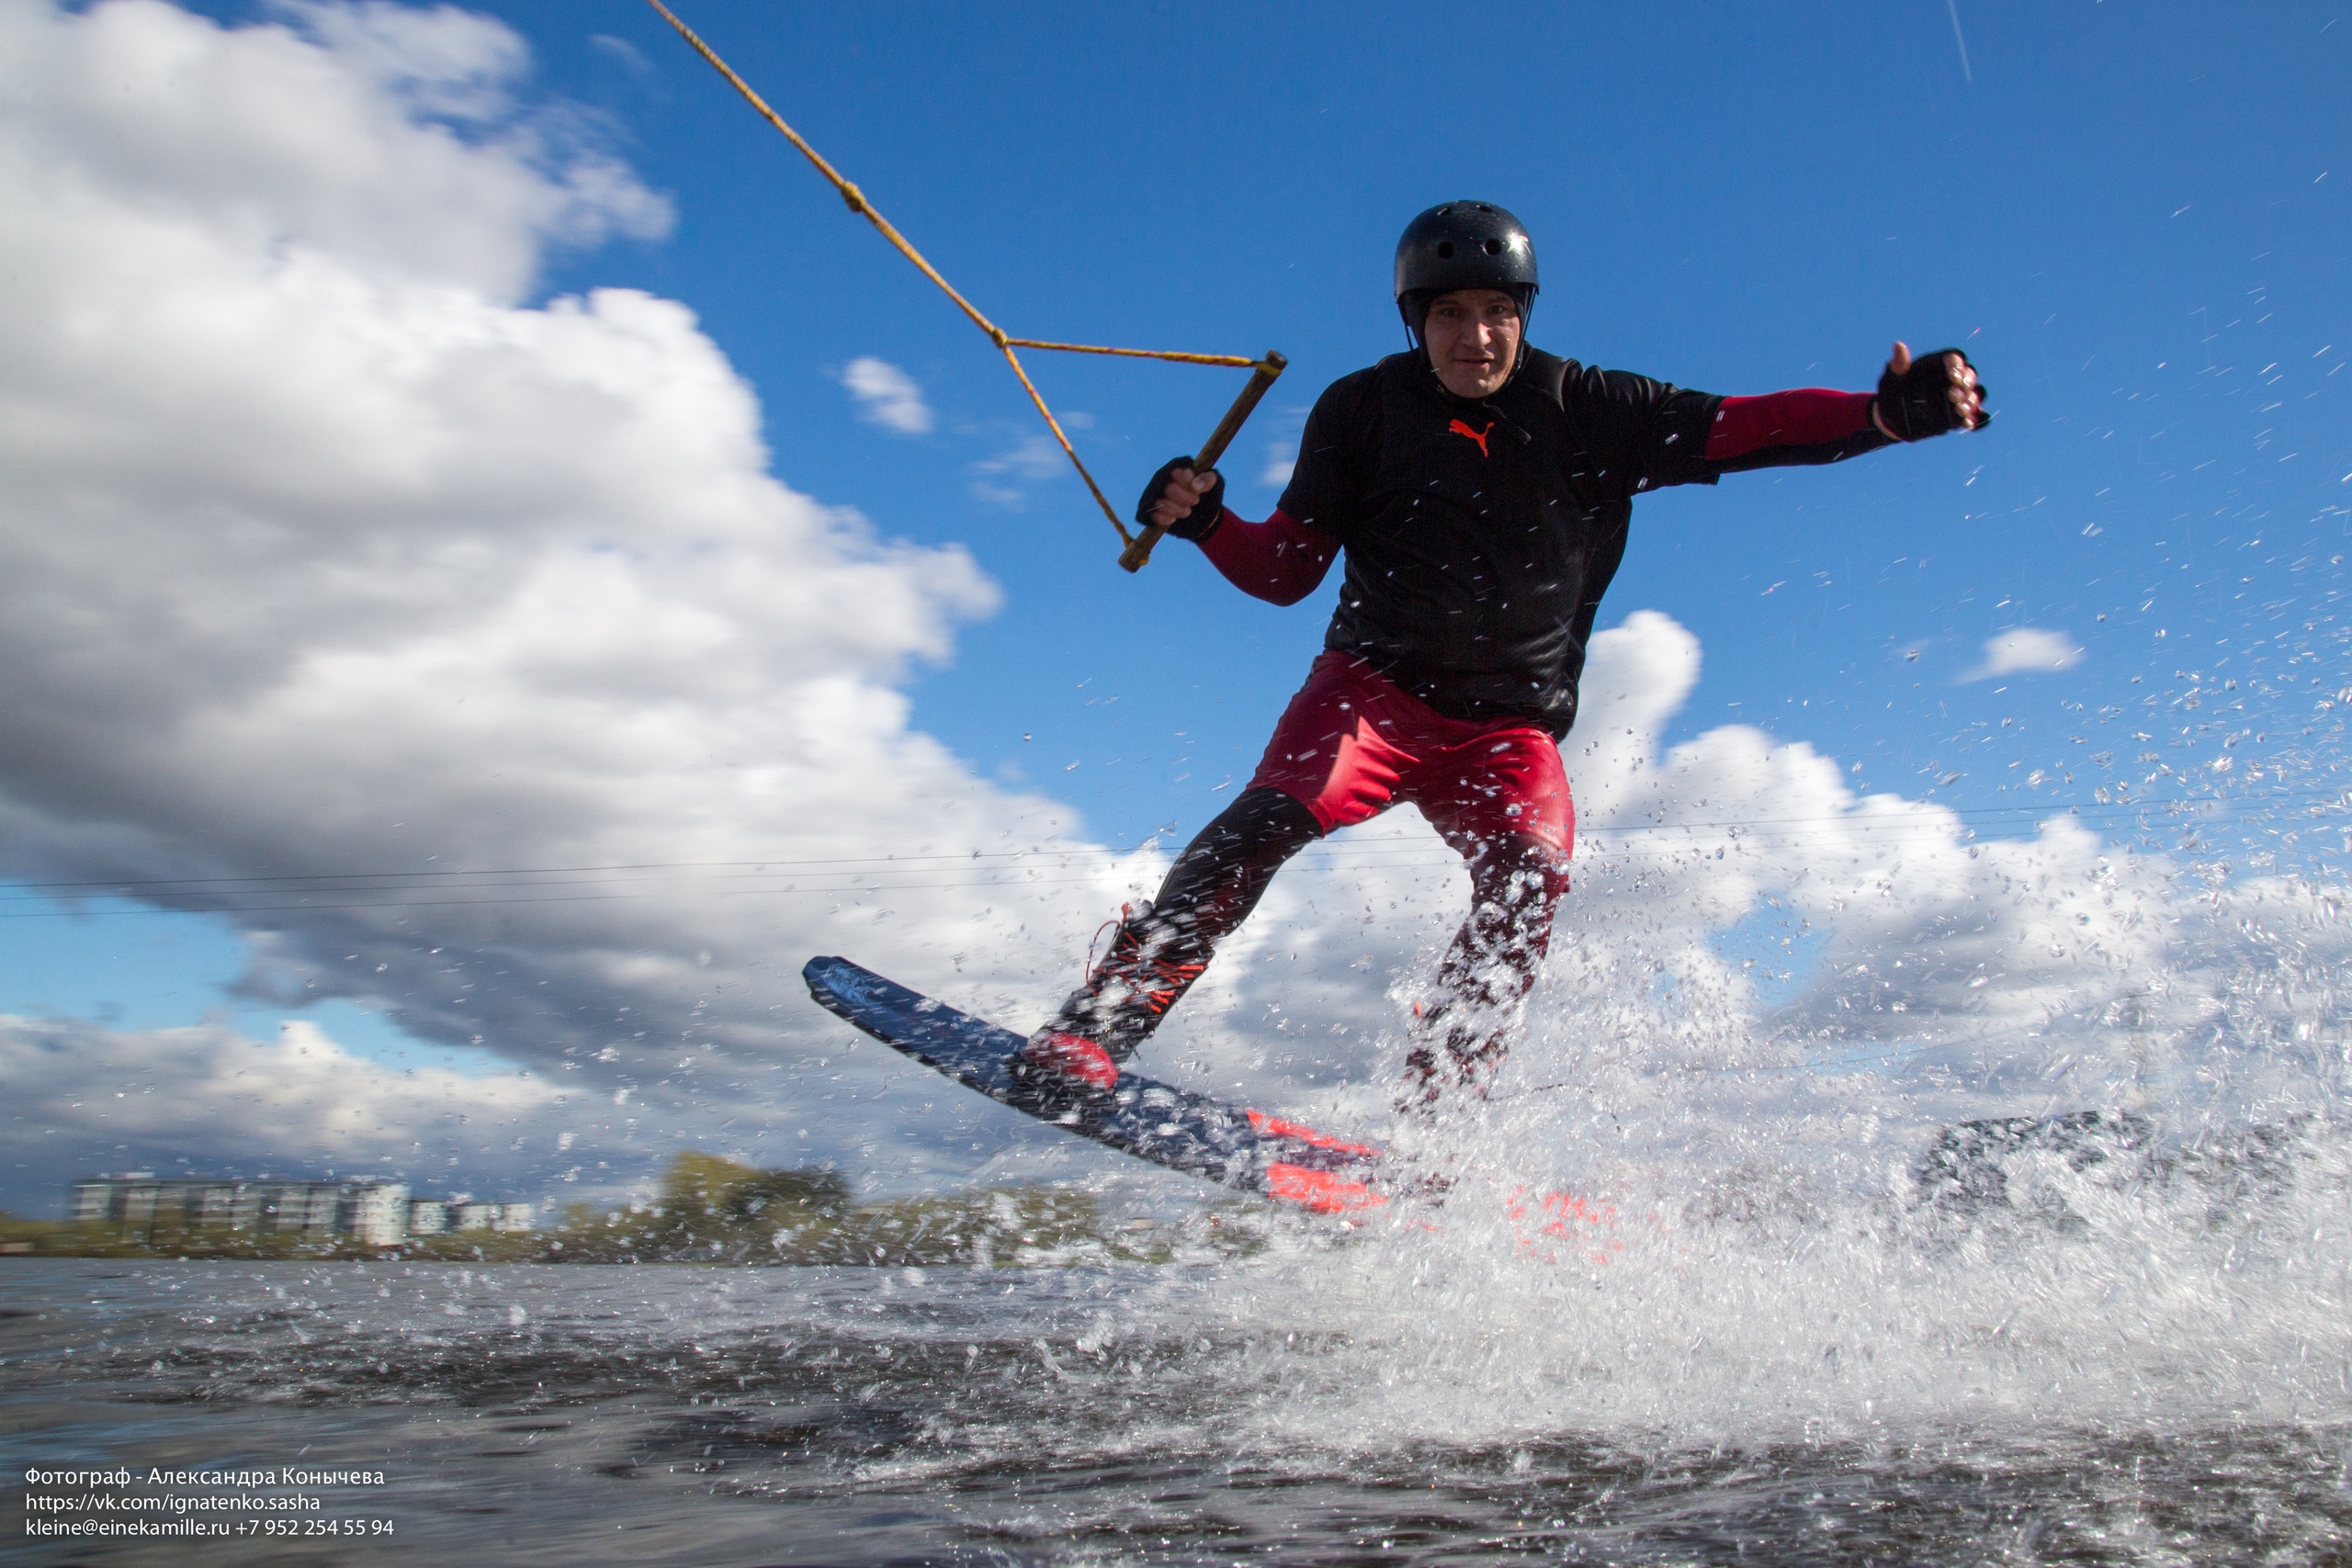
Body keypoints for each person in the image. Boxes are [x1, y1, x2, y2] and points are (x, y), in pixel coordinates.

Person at [1017, 200, 1988, 1111]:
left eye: (1496, 312)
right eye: (1448, 314)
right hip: (1370, 698)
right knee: (1258, 829)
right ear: (1413, 321)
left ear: (1524, 314)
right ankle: (1094, 1030)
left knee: (1530, 879)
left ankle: (1435, 1119)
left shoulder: (1590, 407)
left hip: (1507, 733)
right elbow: (1287, 572)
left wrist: (1881, 415)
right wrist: (1210, 523)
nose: (1475, 336)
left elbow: (1745, 427)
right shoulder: (1360, 410)